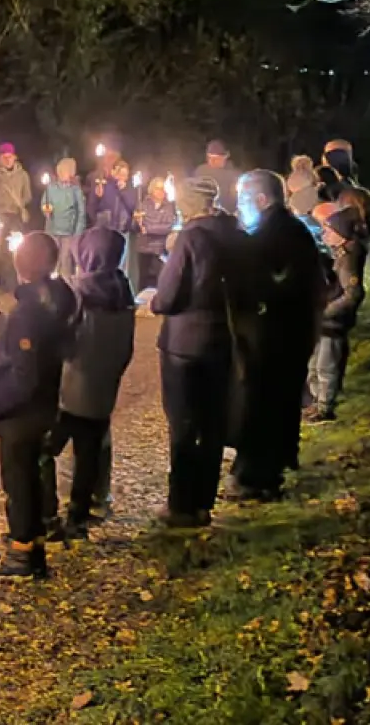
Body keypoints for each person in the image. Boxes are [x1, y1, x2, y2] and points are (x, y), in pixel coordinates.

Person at [0, 232, 76, 580]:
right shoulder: (58, 298)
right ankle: (33, 545)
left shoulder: (29, 311)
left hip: (23, 412)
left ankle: (21, 554)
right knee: (30, 477)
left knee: (18, 483)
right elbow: (44, 340)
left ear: (22, 264)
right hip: (45, 402)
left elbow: (24, 372)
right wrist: (4, 327)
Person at [229, 170, 325, 501]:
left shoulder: (273, 234)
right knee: (279, 402)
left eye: (243, 199)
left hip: (275, 337)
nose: (239, 206)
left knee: (262, 405)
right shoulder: (288, 228)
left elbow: (270, 285)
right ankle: (274, 464)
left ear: (261, 199)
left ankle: (257, 478)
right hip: (290, 333)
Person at [149, 177, 240, 528]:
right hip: (223, 339)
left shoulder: (190, 237)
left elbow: (169, 296)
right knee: (213, 422)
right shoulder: (234, 233)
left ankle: (181, 505)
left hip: (185, 344)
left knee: (184, 424)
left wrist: (155, 301)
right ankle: (204, 502)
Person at [48, 228, 136, 535]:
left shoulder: (77, 292)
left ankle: (45, 514)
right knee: (88, 456)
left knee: (44, 449)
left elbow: (61, 338)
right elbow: (125, 348)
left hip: (71, 388)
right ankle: (79, 515)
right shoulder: (124, 292)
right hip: (103, 391)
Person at [306, 207, 368, 423]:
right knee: (315, 364)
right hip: (324, 322)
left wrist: (327, 312)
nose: (325, 234)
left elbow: (353, 294)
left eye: (329, 231)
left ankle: (324, 408)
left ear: (341, 234)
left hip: (332, 324)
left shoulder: (348, 260)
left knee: (326, 365)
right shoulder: (339, 254)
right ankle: (317, 402)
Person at [0, 142, 32, 288]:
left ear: (14, 157)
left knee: (15, 249)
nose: (7, 160)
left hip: (15, 215)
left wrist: (19, 203)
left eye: (10, 157)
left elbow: (27, 195)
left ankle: (13, 282)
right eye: (4, 157)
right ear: (0, 158)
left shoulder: (23, 175)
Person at [42, 157, 87, 279]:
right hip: (53, 229)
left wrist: (77, 232)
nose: (62, 174)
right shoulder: (51, 188)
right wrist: (46, 209)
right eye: (61, 171)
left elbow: (81, 212)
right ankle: (51, 283)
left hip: (69, 232)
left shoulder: (75, 191)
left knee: (65, 259)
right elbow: (45, 203)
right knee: (52, 258)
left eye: (65, 171)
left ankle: (65, 283)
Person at [132, 176, 177, 292]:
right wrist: (137, 221)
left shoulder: (169, 206)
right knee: (143, 279)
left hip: (160, 249)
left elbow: (167, 226)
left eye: (163, 189)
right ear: (152, 190)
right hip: (144, 248)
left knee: (159, 279)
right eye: (158, 188)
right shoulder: (143, 204)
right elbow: (136, 226)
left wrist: (149, 228)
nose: (161, 191)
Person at [193, 139, 242, 213]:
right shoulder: (201, 171)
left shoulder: (234, 175)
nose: (213, 161)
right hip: (203, 213)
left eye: (216, 158)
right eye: (210, 157)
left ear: (226, 156)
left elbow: (237, 199)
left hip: (226, 214)